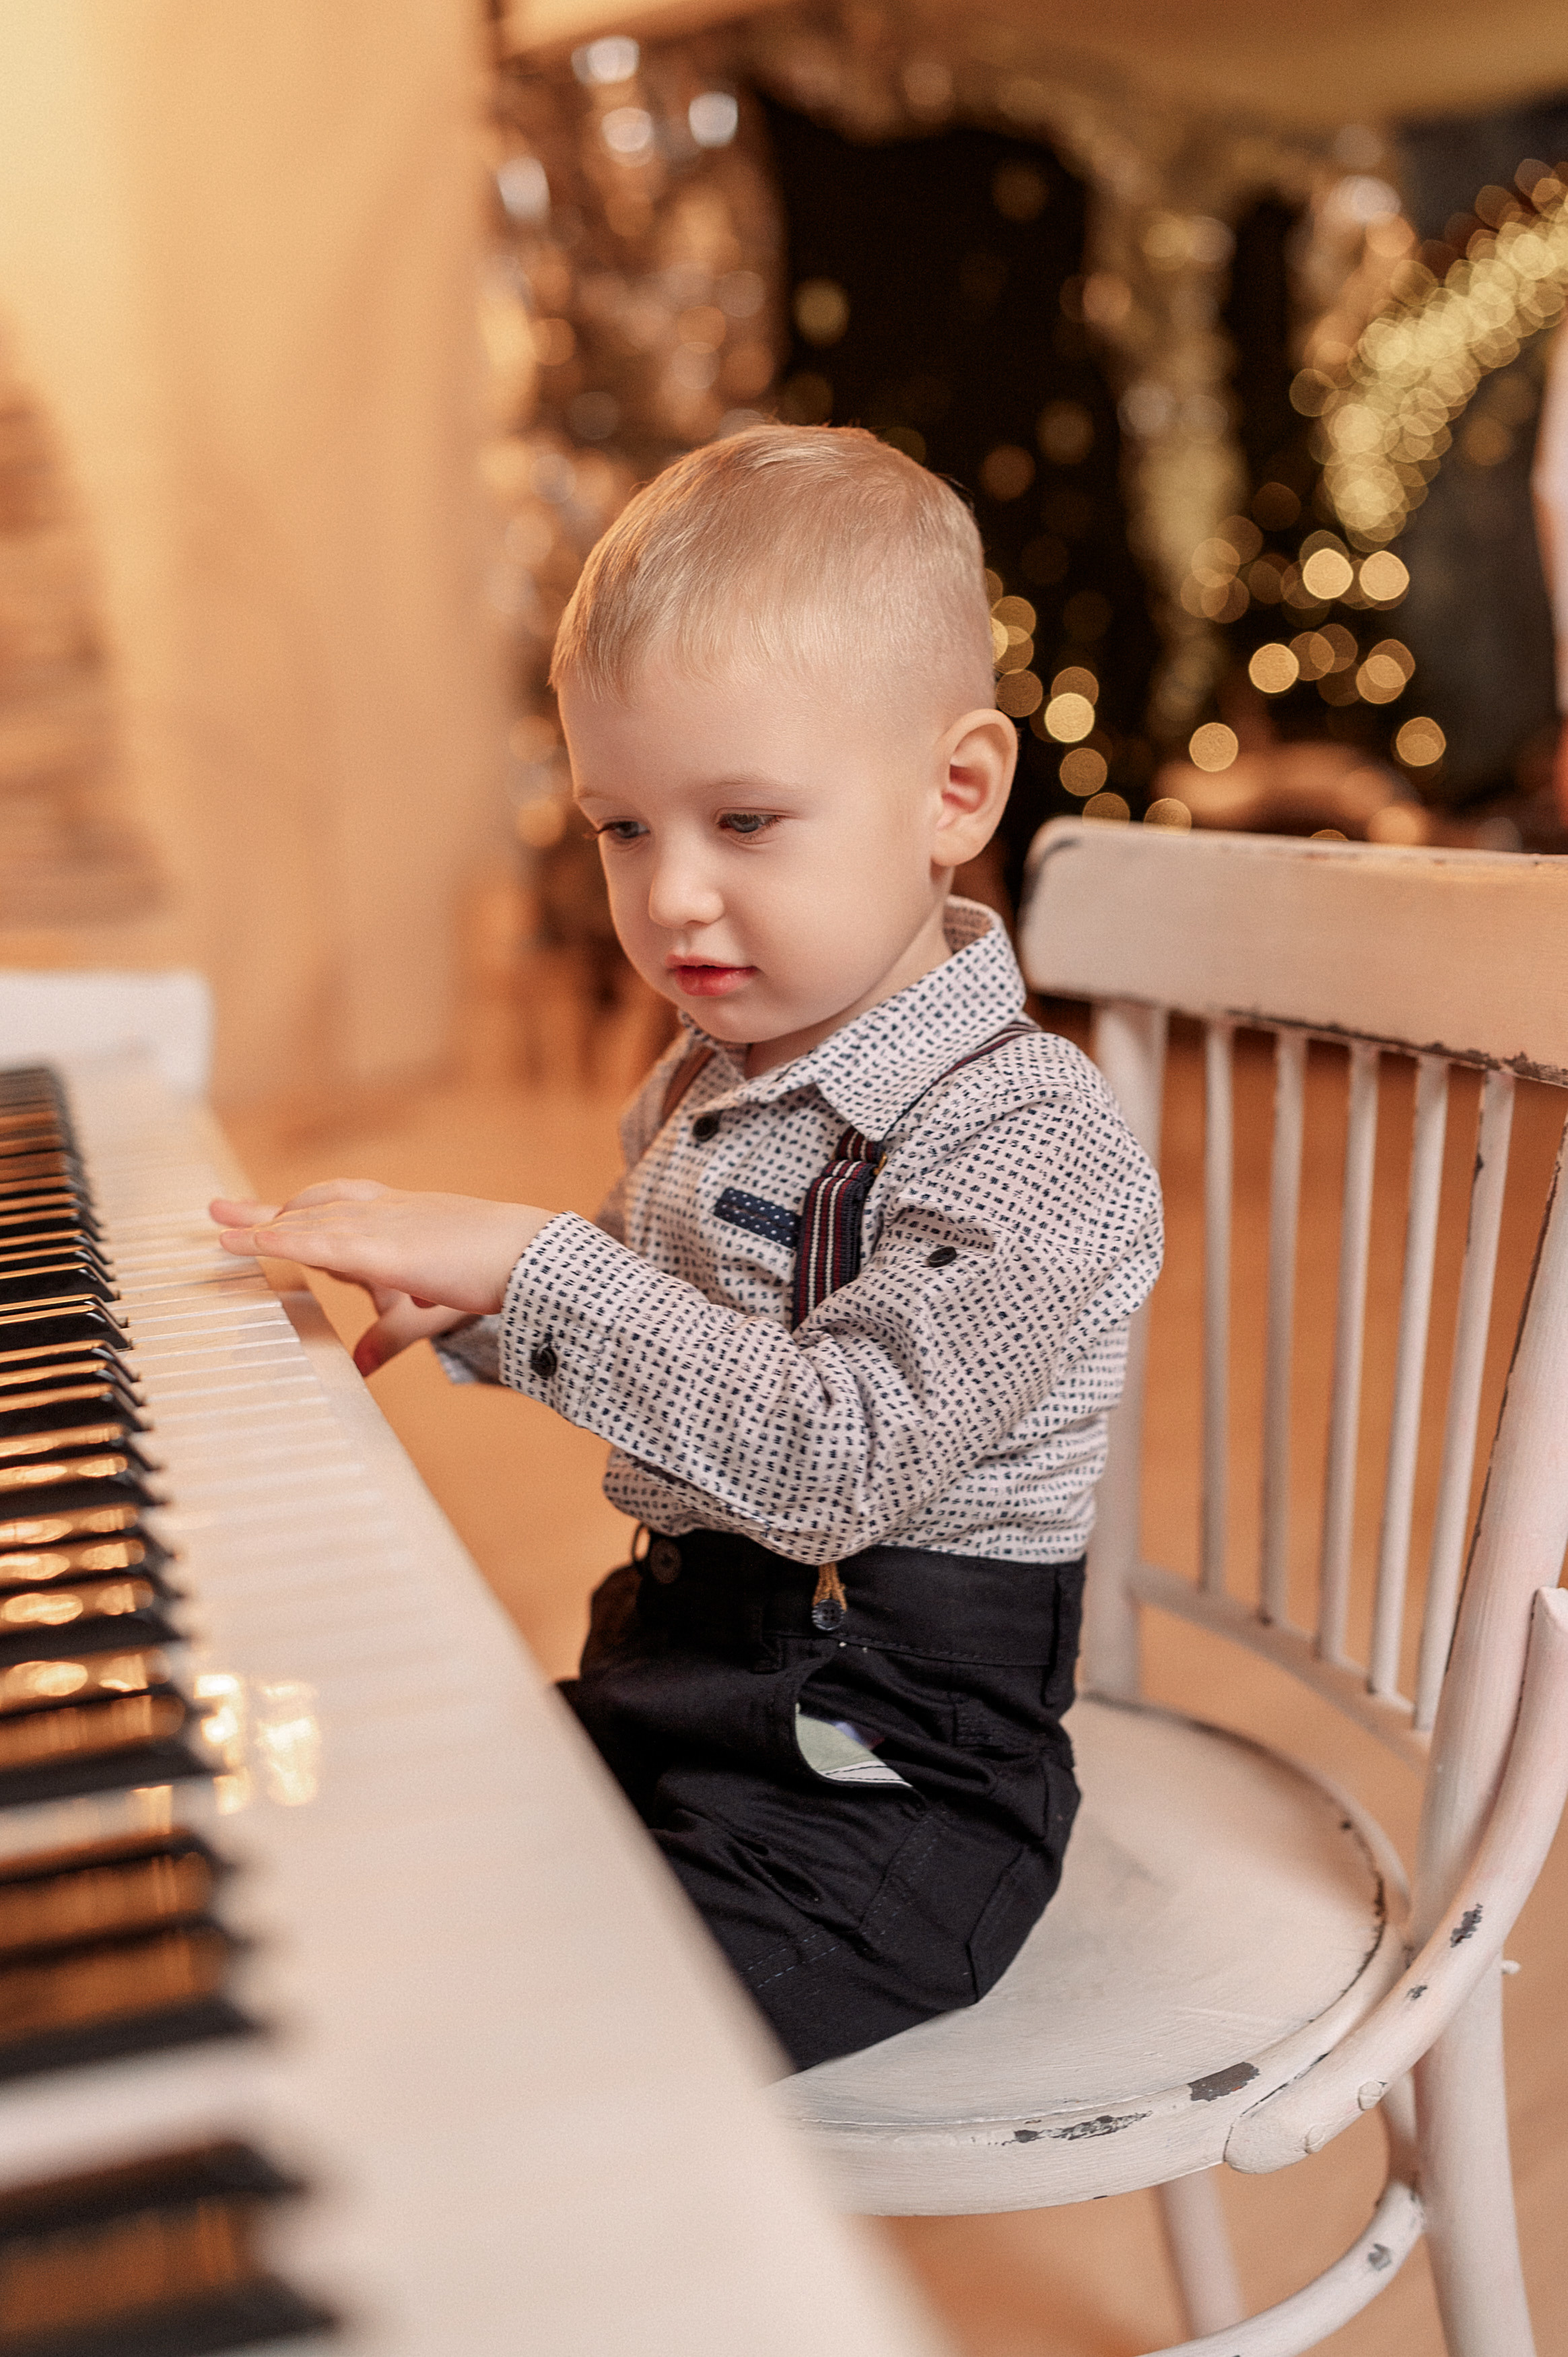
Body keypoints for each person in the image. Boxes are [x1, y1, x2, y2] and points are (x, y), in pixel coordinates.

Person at [211, 426, 1162, 2073]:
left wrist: (535, 1267)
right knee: (347, 1871)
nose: (672, 901)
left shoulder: (1041, 1140)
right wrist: (474, 1302)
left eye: (742, 819)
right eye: (622, 828)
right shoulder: (714, 1077)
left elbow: (827, 1452)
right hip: (678, 1685)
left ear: (955, 793)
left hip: (886, 1796)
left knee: (515, 2055)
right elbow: (686, 1331)